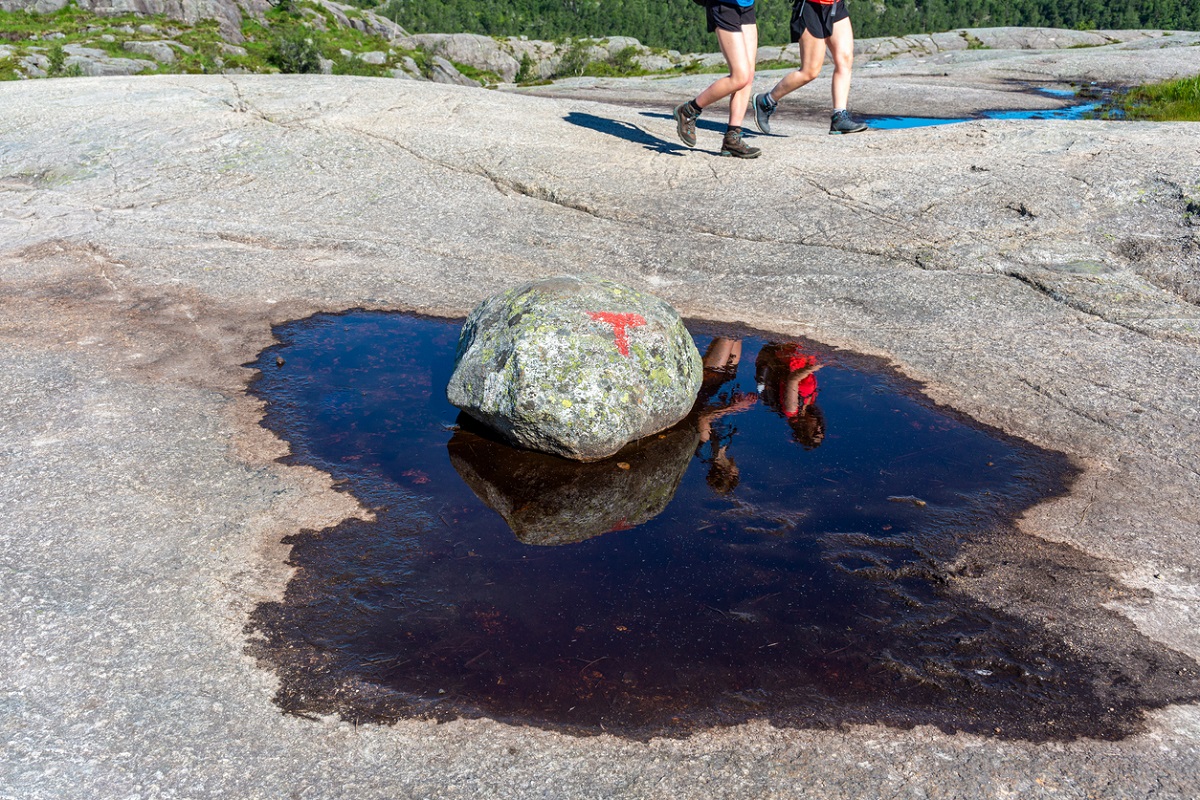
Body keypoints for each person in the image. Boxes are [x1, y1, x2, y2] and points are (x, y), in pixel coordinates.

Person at [750, 0, 868, 136]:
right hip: (810, 7)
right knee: (810, 71)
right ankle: (766, 101)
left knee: (845, 59)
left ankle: (839, 116)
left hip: (835, 5)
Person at [672, 0, 761, 159]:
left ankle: (732, 140)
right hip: (724, 4)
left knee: (748, 75)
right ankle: (688, 110)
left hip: (746, 4)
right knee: (740, 76)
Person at [694, 337, 758, 493]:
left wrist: (735, 407)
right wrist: (738, 400)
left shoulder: (706, 451)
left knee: (727, 337)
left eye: (735, 475)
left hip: (711, 385)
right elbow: (723, 415)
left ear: (729, 474)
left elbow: (703, 418)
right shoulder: (725, 444)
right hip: (726, 386)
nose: (738, 471)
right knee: (738, 337)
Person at [755, 342, 826, 450]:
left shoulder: (792, 410)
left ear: (804, 432)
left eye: (816, 432)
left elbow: (792, 380)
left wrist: (813, 368)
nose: (819, 428)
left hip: (790, 357)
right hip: (804, 358)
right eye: (821, 431)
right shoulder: (809, 404)